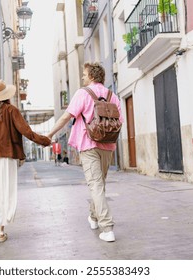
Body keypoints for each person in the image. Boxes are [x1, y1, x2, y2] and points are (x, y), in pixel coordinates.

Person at [47, 62, 123, 242]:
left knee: (96, 185)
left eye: (84, 74)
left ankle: (107, 227)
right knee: (98, 184)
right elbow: (119, 121)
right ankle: (94, 217)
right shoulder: (113, 96)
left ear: (91, 76)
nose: (82, 77)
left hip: (88, 144)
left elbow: (67, 116)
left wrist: (50, 133)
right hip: (108, 145)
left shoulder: (83, 93)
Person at [0, 79, 51, 243]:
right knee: (6, 191)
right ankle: (1, 231)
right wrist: (45, 140)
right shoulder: (12, 111)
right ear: (6, 95)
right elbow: (26, 131)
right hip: (8, 156)